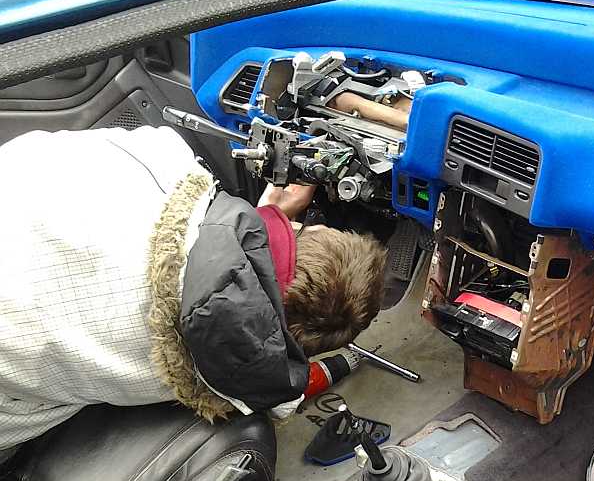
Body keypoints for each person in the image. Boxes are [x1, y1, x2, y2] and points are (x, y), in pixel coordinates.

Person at [0, 125, 387, 454]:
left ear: (304, 228)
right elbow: (274, 388)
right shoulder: (215, 382)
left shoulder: (157, 159)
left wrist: (262, 219)